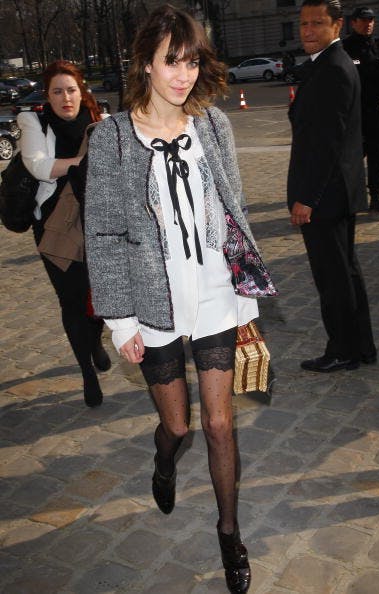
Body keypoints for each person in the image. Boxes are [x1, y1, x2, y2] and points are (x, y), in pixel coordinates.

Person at [84, 4, 277, 592]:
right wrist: (119, 321)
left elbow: (233, 211)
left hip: (215, 291)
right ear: (145, 63)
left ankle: (228, 532)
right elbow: (104, 233)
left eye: (191, 61)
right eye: (172, 61)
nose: (183, 74)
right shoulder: (112, 138)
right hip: (154, 302)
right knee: (181, 426)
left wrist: (244, 295)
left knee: (221, 425)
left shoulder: (213, 124)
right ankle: (163, 459)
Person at [287, 0, 377, 373]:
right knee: (346, 272)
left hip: (326, 194)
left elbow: (327, 143)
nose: (307, 30)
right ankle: (362, 346)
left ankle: (343, 349)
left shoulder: (334, 69)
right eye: (304, 23)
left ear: (336, 25)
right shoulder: (327, 65)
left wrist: (307, 198)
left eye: (317, 23)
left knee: (333, 278)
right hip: (336, 190)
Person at [17, 60, 111, 408]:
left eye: (71, 89)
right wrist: (84, 162)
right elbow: (39, 166)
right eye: (57, 91)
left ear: (81, 90)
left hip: (97, 222)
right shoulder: (32, 122)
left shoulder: (97, 119)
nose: (65, 97)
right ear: (48, 95)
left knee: (100, 297)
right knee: (71, 301)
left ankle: (96, 340)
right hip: (55, 226)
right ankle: (87, 372)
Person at [343, 6, 379, 212]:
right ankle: (350, 195)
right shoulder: (345, 48)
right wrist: (374, 72)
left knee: (377, 155)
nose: (368, 24)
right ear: (354, 22)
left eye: (371, 20)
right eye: (364, 20)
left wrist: (378, 81)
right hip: (353, 112)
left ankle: (375, 196)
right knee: (352, 157)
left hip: (374, 109)